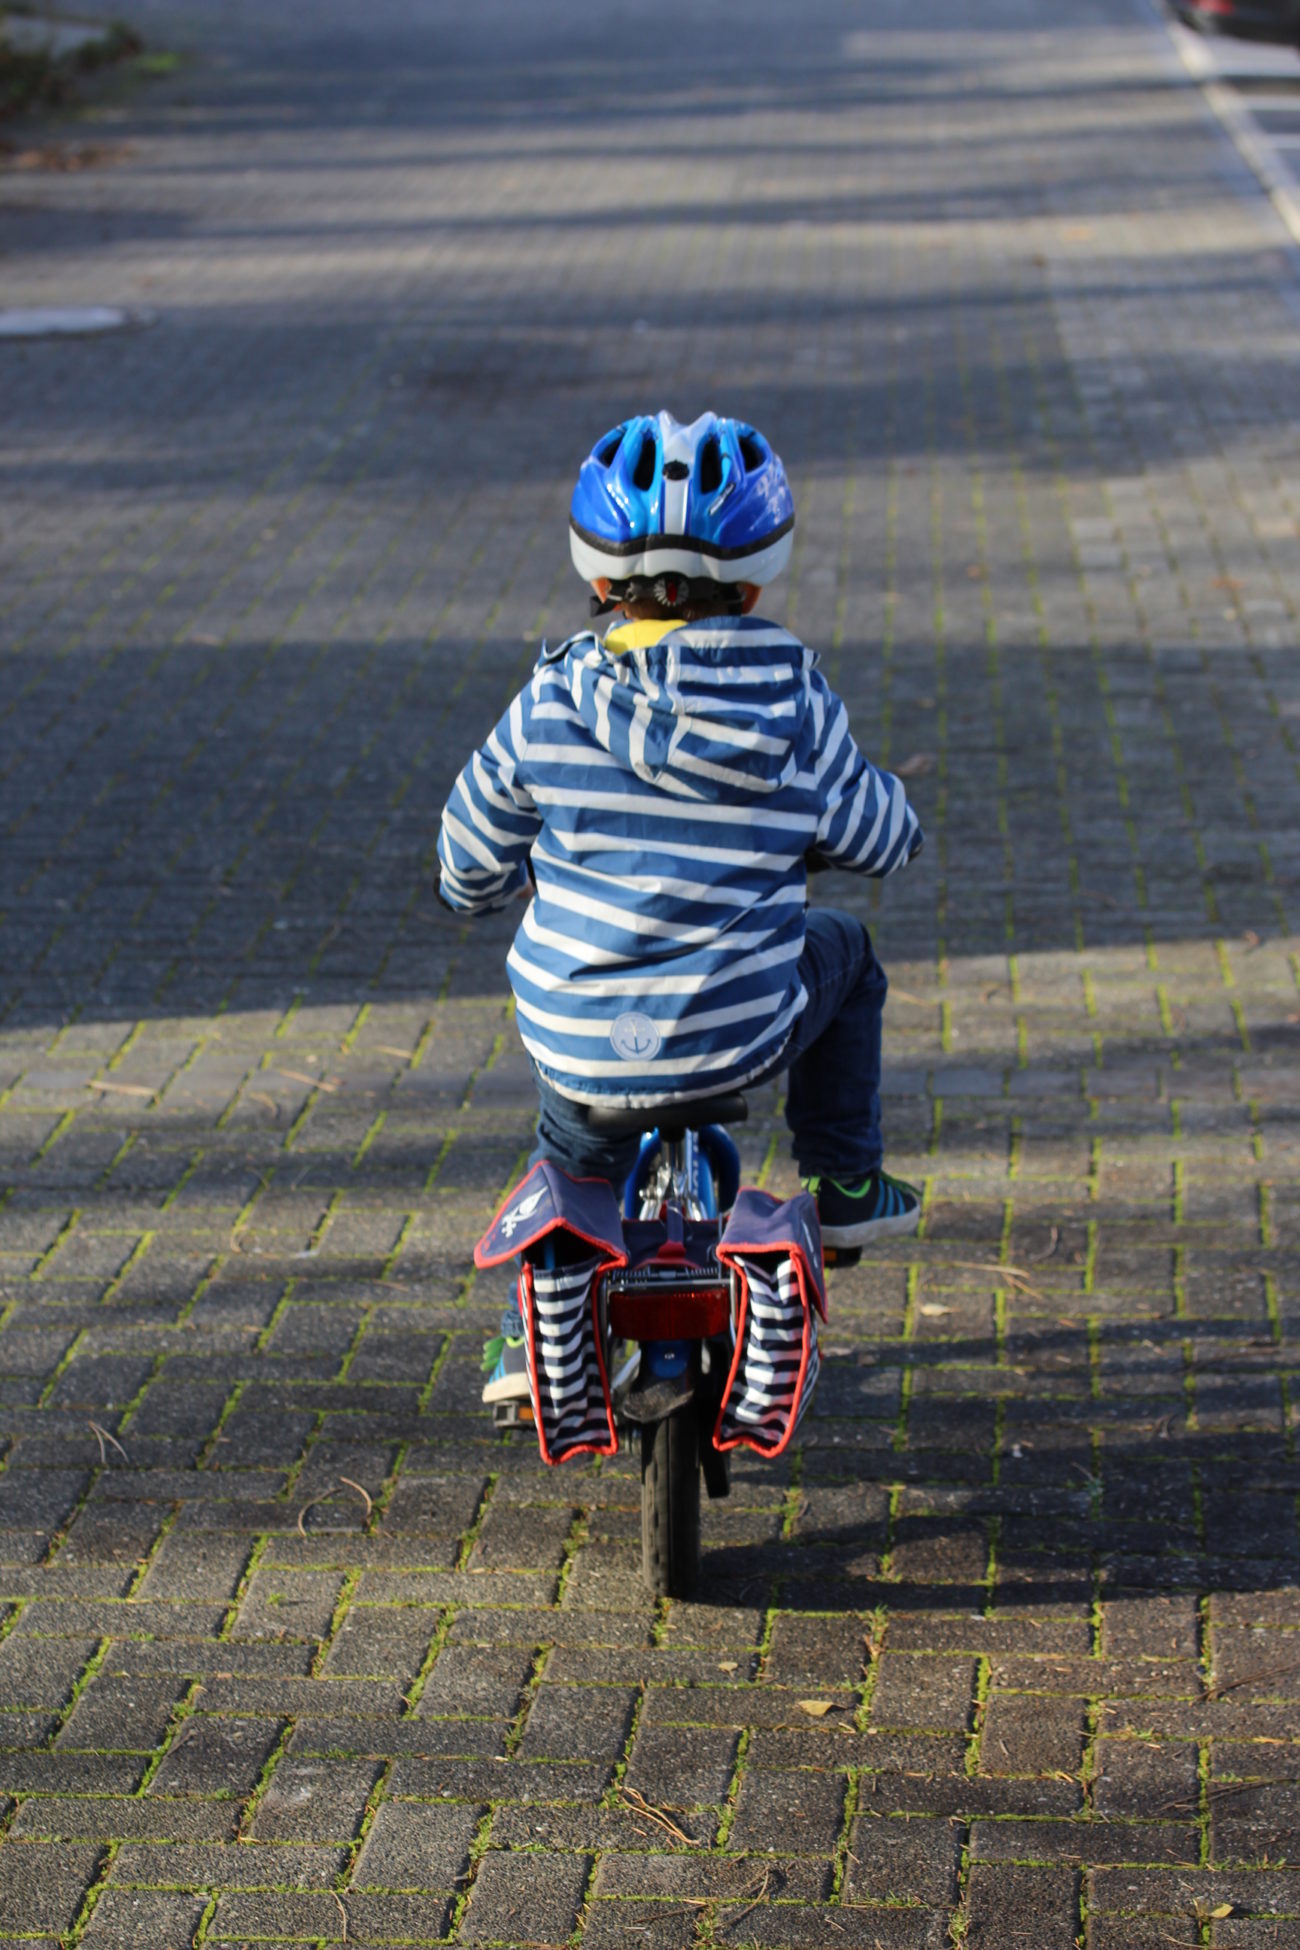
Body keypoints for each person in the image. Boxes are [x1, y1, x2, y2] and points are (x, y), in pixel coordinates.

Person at [436, 411, 924, 1407]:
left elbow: (467, 857)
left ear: (597, 580)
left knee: (573, 1151)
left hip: (585, 1033)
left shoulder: (551, 701)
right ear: (755, 580)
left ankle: (533, 1331)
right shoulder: (792, 702)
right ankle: (840, 1196)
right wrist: (823, 831)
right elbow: (880, 837)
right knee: (846, 950)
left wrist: (482, 886)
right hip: (742, 1027)